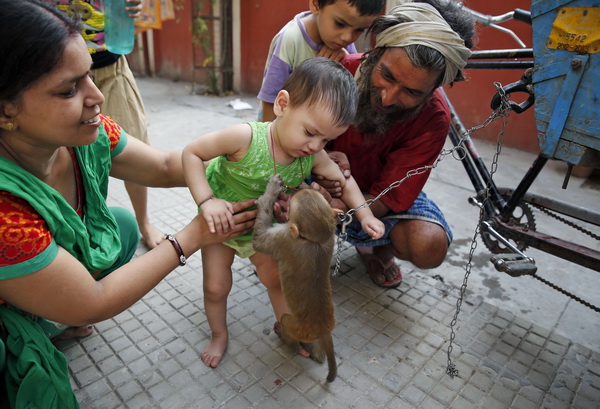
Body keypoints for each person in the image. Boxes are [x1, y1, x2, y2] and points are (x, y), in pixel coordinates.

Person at [0, 1, 256, 407]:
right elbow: (93, 302)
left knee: (120, 227)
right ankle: (31, 319)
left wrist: (259, 156)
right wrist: (192, 236)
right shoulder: (3, 210)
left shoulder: (90, 132)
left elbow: (167, 165)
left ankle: (47, 309)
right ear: (5, 110)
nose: (97, 96)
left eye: (89, 76)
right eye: (69, 89)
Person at [182, 57, 385, 368]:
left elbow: (343, 182)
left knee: (276, 279)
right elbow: (192, 153)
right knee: (216, 286)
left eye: (326, 140)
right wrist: (208, 201)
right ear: (282, 104)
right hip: (221, 225)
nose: (315, 145)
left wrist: (365, 214)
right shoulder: (245, 137)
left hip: (259, 230)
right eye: (310, 132)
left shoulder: (312, 155)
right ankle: (218, 334)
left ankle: (294, 332)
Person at [317, 0, 475, 288]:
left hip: (380, 200)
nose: (388, 98)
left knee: (429, 246)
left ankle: (379, 248)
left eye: (412, 92)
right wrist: (320, 162)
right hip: (321, 178)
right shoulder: (340, 74)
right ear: (377, 51)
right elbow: (292, 138)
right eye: (386, 75)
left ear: (433, 90)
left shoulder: (435, 118)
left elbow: (389, 198)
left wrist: (337, 206)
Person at [45, 0, 164, 249]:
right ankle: (65, 232)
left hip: (111, 63)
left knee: (136, 143)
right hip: (53, 71)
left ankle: (144, 222)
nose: (97, 99)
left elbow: (161, 166)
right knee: (58, 153)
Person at [257, 0, 385, 122]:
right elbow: (270, 98)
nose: (347, 37)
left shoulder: (344, 44)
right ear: (316, 4)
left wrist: (346, 61)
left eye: (359, 30)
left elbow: (352, 91)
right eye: (340, 24)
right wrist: (267, 142)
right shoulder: (290, 40)